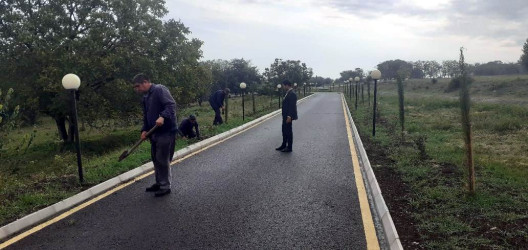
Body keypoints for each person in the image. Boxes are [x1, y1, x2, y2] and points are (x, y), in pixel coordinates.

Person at [132, 73, 176, 197]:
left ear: (145, 82)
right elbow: (146, 116)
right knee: (156, 159)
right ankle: (159, 183)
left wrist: (163, 116)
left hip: (166, 131)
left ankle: (165, 186)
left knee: (162, 159)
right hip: (153, 133)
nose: (137, 89)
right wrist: (144, 130)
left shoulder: (159, 90)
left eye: (138, 86)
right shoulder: (146, 97)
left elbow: (171, 105)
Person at [276, 80, 298, 153]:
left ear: (287, 85)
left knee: (288, 131)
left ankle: (289, 147)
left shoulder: (292, 94)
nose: (283, 87)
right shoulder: (288, 93)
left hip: (288, 116)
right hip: (285, 116)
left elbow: (292, 106)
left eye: (283, 85)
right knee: (284, 131)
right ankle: (284, 145)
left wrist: (289, 116)